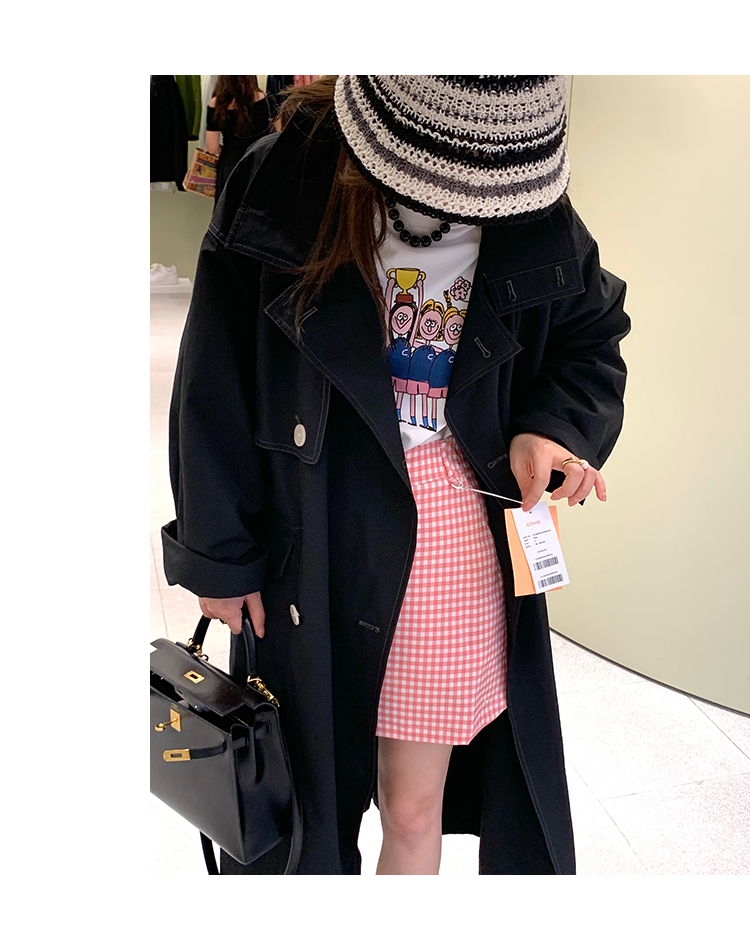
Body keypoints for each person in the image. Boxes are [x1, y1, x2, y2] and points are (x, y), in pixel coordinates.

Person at [161, 75, 630, 875]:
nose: (472, 203)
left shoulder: (529, 204)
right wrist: (219, 553)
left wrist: (550, 428)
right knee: (304, 812)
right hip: (309, 525)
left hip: (455, 539)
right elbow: (214, 380)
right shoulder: (282, 181)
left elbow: (591, 337)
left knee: (414, 806)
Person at [204, 75, 273, 204]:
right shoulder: (267, 100)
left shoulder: (218, 103)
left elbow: (212, 147)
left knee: (228, 211)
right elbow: (278, 137)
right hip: (261, 163)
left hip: (231, 165)